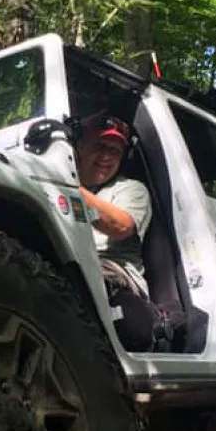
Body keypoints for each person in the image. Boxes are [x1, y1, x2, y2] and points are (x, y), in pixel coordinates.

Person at [75, 114, 152, 299]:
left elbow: (121, 226)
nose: (106, 157)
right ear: (80, 147)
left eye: (115, 151)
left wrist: (69, 190)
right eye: (100, 146)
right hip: (69, 264)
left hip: (116, 277)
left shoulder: (131, 188)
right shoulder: (63, 187)